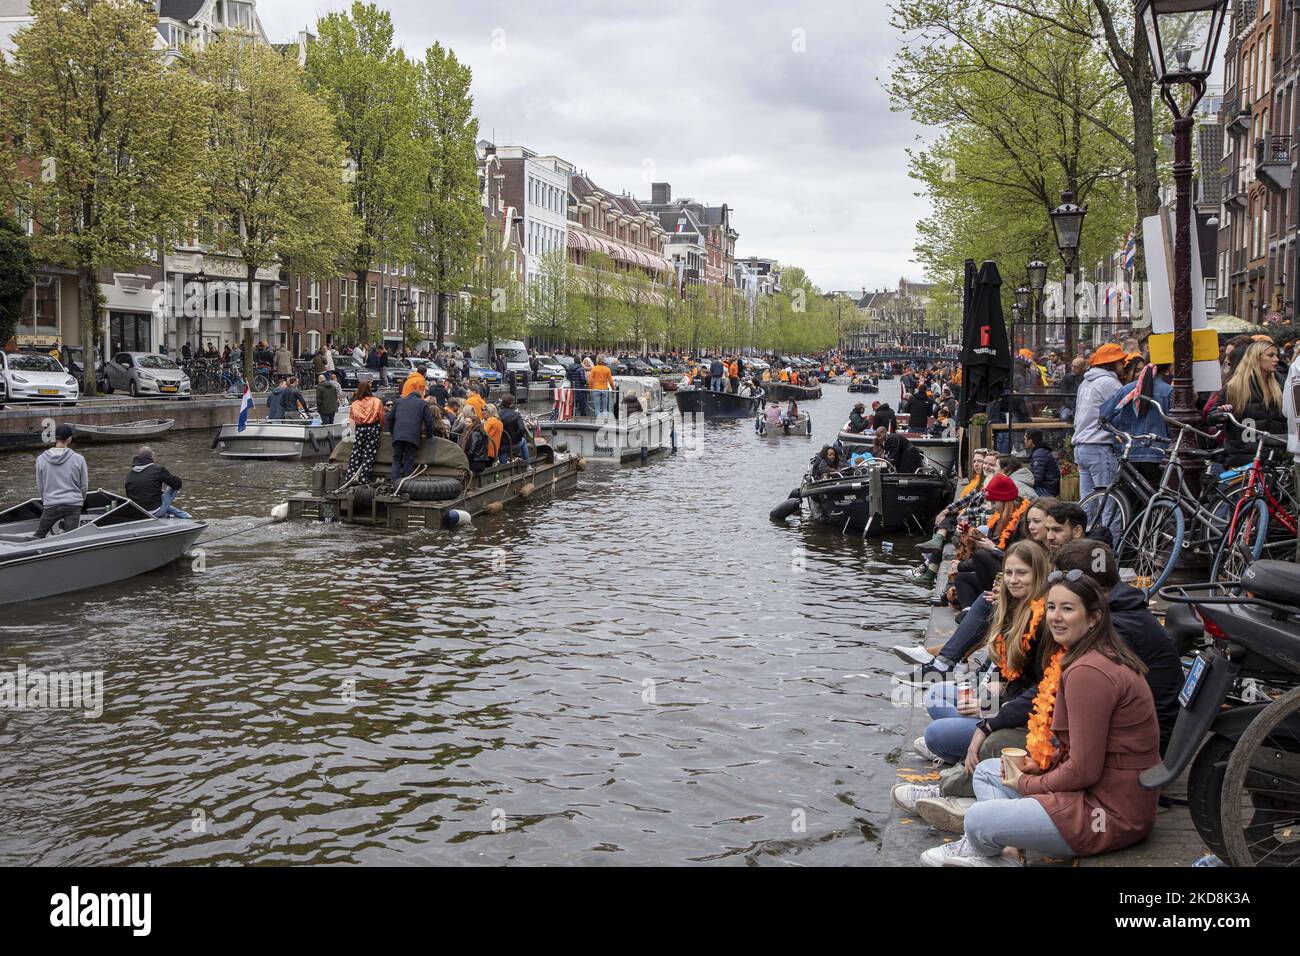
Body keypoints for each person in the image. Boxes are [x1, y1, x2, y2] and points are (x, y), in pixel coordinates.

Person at [920, 573, 1159, 866]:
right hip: (1096, 794)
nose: (1056, 617)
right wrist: (1039, 769)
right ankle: (1008, 847)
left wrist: (1027, 784)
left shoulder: (1090, 673)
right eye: (1051, 607)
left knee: (978, 820)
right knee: (988, 771)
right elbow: (1079, 751)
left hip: (1108, 812)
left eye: (1068, 609)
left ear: (1095, 617)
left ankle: (992, 844)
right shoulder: (1090, 656)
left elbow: (1084, 772)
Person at [1053, 540, 1181, 752]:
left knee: (993, 746)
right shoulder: (1115, 606)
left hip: (1138, 747)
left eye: (1062, 580)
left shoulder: (1115, 627)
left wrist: (994, 720)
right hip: (1131, 731)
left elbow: (1090, 700)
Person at [1207, 340, 1288, 468]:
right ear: (1256, 358)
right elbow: (1211, 417)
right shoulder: (1235, 386)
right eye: (1270, 355)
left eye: (1277, 355)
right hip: (1242, 459)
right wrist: (1221, 413)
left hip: (1275, 458)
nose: (1276, 359)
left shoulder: (1281, 383)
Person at [1072, 342, 1127, 498]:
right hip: (1099, 446)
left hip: (1082, 447)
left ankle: (1086, 524)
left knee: (1088, 501)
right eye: (1121, 362)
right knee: (1108, 501)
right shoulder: (1110, 383)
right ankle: (1107, 525)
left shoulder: (1085, 383)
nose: (1123, 366)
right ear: (1113, 363)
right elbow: (1120, 414)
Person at [34, 424, 88, 538]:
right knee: (70, 538)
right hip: (73, 504)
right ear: (69, 439)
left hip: (51, 503)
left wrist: (47, 501)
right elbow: (84, 486)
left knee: (39, 535)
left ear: (55, 438)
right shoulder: (79, 459)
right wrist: (79, 501)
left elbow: (41, 486)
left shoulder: (41, 459)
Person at [386, 386, 436, 486]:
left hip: (398, 435)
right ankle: (405, 485)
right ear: (420, 396)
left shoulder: (399, 401)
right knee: (408, 460)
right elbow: (429, 422)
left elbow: (390, 418)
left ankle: (393, 482)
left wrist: (392, 432)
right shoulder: (422, 403)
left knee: (396, 458)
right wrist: (430, 435)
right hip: (413, 436)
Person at [125, 445, 189, 518]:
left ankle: (183, 515)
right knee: (172, 486)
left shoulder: (130, 475)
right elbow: (177, 484)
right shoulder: (158, 469)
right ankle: (184, 516)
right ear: (151, 457)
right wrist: (176, 478)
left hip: (139, 512)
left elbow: (129, 495)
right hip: (155, 512)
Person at [345, 381, 385, 484]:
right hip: (372, 429)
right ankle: (363, 478)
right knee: (369, 454)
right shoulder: (376, 401)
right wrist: (381, 428)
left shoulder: (355, 403)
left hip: (360, 430)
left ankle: (351, 477)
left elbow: (352, 419)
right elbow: (381, 417)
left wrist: (353, 433)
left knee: (356, 453)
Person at [1023, 429, 1060, 498]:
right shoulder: (1040, 451)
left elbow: (1036, 479)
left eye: (1025, 439)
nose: (1024, 441)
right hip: (1048, 488)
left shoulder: (1039, 454)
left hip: (1046, 491)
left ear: (1030, 441)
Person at [498, 393, 531, 464]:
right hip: (514, 444)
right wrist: (517, 437)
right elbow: (522, 429)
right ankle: (528, 464)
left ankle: (504, 468)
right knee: (523, 441)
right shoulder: (516, 415)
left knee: (502, 451)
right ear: (512, 404)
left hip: (502, 446)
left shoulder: (498, 414)